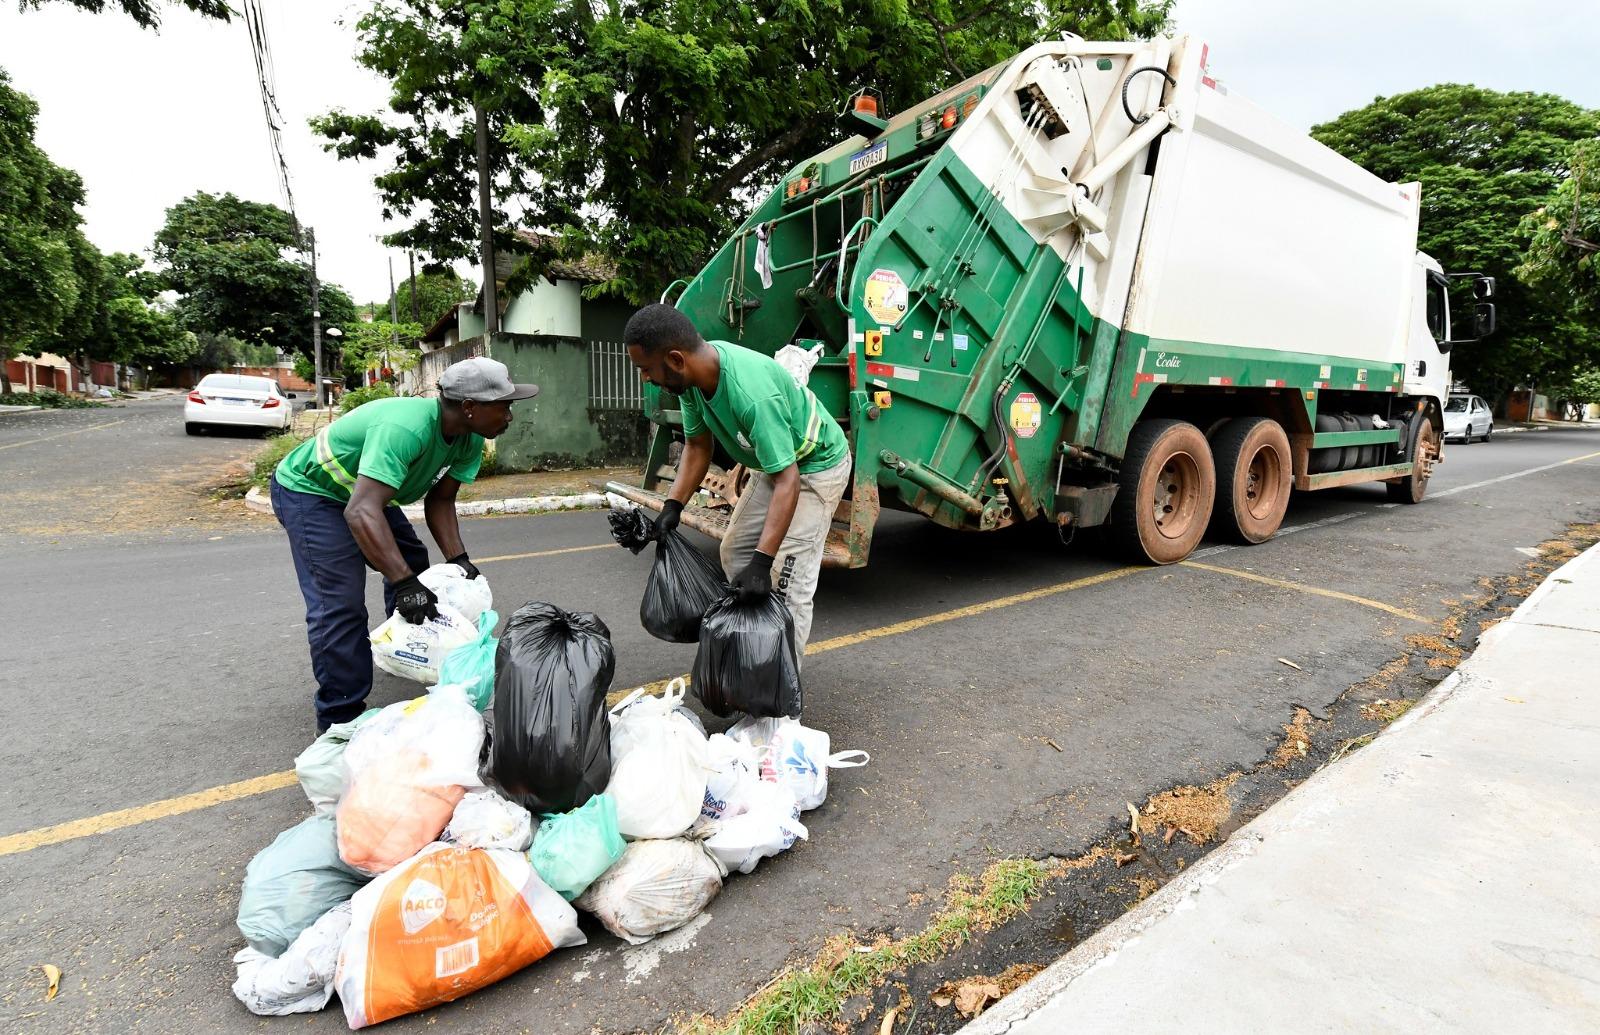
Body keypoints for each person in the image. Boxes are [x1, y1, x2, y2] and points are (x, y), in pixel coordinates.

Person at [271, 357, 538, 730]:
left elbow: (440, 500)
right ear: (469, 407)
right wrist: (404, 583)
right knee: (341, 603)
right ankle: (339, 717)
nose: (509, 416)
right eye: (504, 406)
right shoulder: (406, 428)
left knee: (411, 561)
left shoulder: (469, 438)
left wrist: (459, 559)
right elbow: (361, 512)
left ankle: (401, 647)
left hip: (365, 497)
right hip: (312, 492)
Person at [624, 304, 851, 657]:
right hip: (773, 463)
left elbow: (788, 481)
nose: (645, 378)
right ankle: (752, 660)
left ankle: (780, 704)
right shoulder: (692, 384)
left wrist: (763, 563)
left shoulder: (751, 393)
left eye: (645, 369)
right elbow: (698, 447)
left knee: (786, 583)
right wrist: (672, 508)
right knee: (735, 552)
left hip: (815, 465)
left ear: (674, 360)